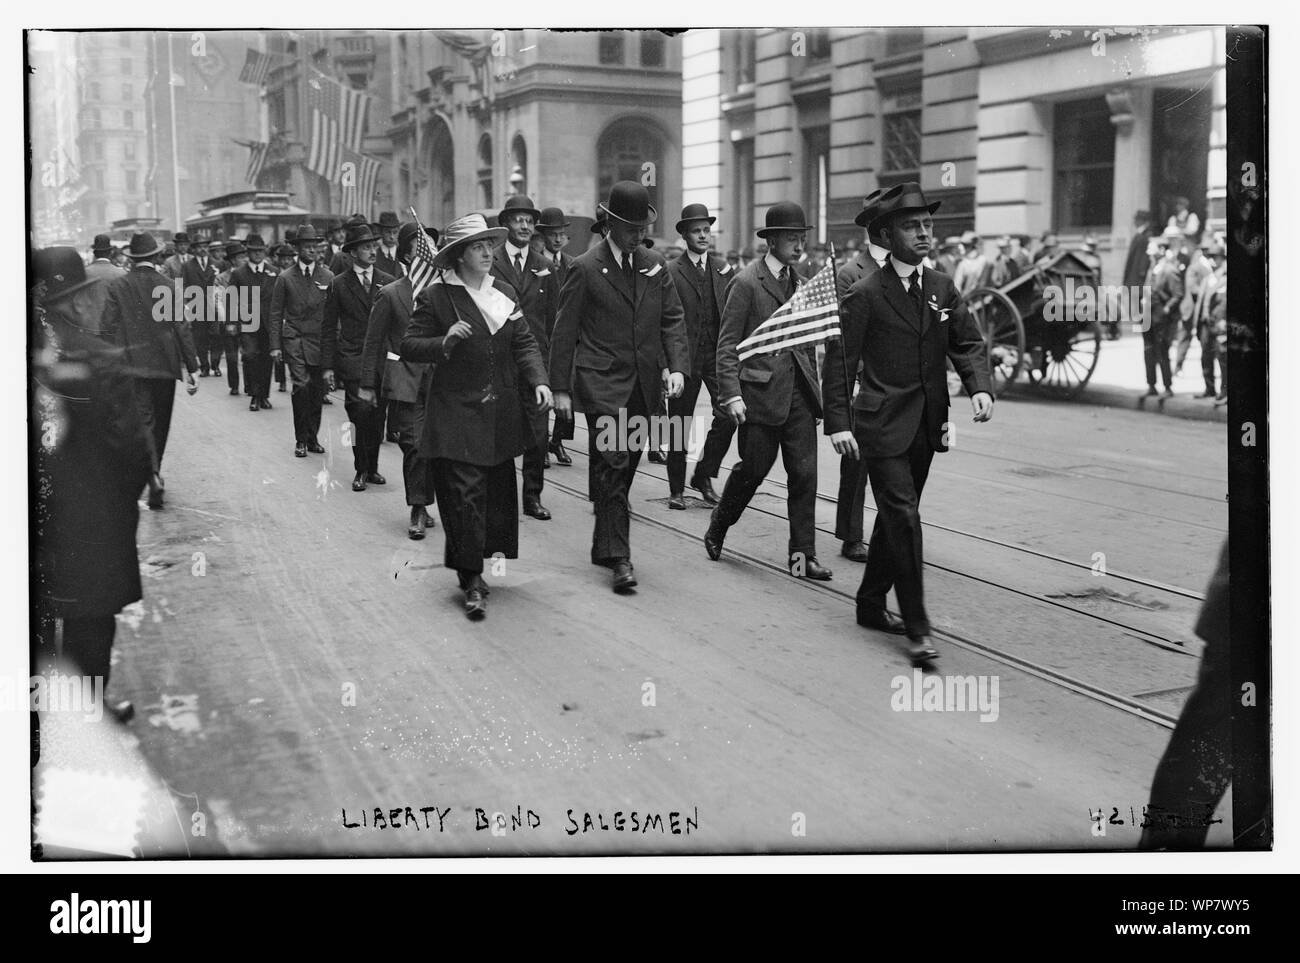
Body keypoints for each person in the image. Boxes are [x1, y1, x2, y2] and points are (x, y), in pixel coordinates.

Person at [823, 182, 994, 666]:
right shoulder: (864, 294)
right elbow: (840, 361)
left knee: (899, 516)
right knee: (904, 517)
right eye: (911, 226)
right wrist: (838, 421)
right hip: (879, 426)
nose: (923, 234)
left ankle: (870, 602)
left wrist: (978, 385)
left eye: (926, 225)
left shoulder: (941, 287)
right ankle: (917, 627)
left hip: (927, 425)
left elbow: (967, 342)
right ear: (885, 234)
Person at [400, 214, 553, 618]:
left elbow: (525, 343)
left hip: (499, 411)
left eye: (490, 245)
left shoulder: (502, 291)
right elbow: (410, 345)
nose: (488, 252)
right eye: (477, 247)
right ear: (459, 256)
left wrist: (538, 379)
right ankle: (471, 579)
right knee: (464, 496)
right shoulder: (436, 297)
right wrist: (443, 341)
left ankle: (477, 564)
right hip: (455, 413)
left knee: (493, 496)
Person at [550, 181, 689, 593]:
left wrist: (677, 366)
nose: (637, 234)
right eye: (629, 226)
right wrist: (560, 388)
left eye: (641, 226)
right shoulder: (585, 267)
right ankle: (620, 557)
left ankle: (605, 535)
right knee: (613, 460)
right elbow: (564, 332)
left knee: (625, 465)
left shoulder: (655, 264)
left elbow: (672, 320)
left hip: (644, 386)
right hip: (602, 383)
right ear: (609, 223)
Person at [32, 248, 152, 724]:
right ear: (73, 300)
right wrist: (125, 499)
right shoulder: (99, 356)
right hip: (91, 512)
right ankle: (86, 707)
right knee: (90, 612)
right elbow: (130, 444)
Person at [705, 201, 832, 580]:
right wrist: (731, 394)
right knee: (753, 471)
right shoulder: (746, 283)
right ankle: (718, 525)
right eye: (791, 239)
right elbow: (727, 345)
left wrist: (815, 386)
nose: (798, 246)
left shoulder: (803, 285)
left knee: (804, 475)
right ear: (772, 241)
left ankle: (802, 556)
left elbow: (807, 342)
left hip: (799, 397)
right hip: (759, 397)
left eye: (801, 239)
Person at [100, 232, 200, 510]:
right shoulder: (169, 285)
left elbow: (106, 327)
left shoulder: (119, 286)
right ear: (156, 257)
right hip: (165, 367)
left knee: (144, 420)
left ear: (133, 258)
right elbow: (182, 326)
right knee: (162, 421)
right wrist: (193, 367)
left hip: (131, 366)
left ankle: (152, 473)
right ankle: (155, 471)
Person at [361, 222, 438, 539]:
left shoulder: (446, 293)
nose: (432, 251)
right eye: (424, 246)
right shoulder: (391, 295)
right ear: (409, 254)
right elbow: (373, 342)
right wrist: (367, 384)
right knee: (414, 445)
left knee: (436, 448)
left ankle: (426, 500)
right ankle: (418, 508)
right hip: (406, 382)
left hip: (443, 384)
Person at [833, 189, 891, 562]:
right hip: (863, 385)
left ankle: (893, 531)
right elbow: (842, 340)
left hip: (899, 383)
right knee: (857, 463)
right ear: (877, 229)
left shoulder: (910, 269)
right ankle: (851, 534)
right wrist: (849, 386)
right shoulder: (851, 273)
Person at [665, 203, 736, 508]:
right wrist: (667, 366)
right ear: (684, 235)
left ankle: (704, 474)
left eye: (707, 230)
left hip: (716, 356)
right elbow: (664, 321)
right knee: (679, 422)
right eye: (696, 231)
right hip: (684, 358)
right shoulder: (671, 271)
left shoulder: (723, 269)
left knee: (729, 415)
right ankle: (677, 488)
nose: (703, 235)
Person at [492, 194, 555, 519]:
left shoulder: (545, 266)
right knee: (499, 430)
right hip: (500, 362)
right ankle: (500, 496)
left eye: (529, 221)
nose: (524, 226)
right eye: (518, 219)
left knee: (537, 433)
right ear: (506, 224)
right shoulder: (491, 261)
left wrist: (552, 373)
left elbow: (555, 318)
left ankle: (532, 496)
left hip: (536, 364)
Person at [321, 222, 394, 491]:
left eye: (373, 246)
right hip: (352, 358)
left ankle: (373, 467)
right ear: (353, 253)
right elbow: (328, 327)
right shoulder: (339, 284)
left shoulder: (387, 281)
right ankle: (360, 468)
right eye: (366, 247)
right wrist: (327, 366)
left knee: (377, 415)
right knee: (358, 414)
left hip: (382, 359)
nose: (372, 251)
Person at [269, 224, 334, 458]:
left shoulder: (327, 276)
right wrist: (275, 346)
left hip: (319, 341)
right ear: (297, 249)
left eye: (313, 247)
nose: (310, 251)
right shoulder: (285, 278)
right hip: (294, 339)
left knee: (317, 390)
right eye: (306, 247)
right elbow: (275, 314)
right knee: (301, 386)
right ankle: (301, 439)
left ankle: (313, 436)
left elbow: (334, 313)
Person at [537, 206, 576, 467]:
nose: (558, 239)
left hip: (567, 336)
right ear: (544, 237)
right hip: (543, 332)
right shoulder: (537, 263)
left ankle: (558, 441)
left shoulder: (572, 263)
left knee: (566, 388)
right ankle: (539, 444)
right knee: (541, 392)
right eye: (553, 234)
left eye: (562, 234)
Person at [230, 234, 277, 411]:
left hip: (268, 324)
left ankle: (264, 395)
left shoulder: (274, 272)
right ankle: (254, 395)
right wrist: (232, 323)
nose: (258, 254)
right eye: (254, 251)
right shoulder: (239, 273)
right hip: (247, 323)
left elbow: (279, 300)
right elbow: (232, 299)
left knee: (267, 359)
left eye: (260, 251)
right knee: (250, 356)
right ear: (247, 252)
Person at [1144, 230, 1183, 398]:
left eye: (1153, 252)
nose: (1150, 256)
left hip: (1161, 317)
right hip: (1147, 316)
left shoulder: (1169, 270)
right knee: (1148, 351)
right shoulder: (1152, 269)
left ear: (1161, 251)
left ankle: (1167, 387)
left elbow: (1178, 294)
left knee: (1162, 351)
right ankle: (1151, 385)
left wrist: (1167, 309)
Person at [182, 237, 220, 377]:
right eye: (199, 246)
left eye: (205, 246)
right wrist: (186, 305)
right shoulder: (187, 266)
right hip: (196, 306)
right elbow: (183, 285)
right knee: (200, 338)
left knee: (216, 336)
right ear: (194, 249)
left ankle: (215, 365)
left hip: (214, 307)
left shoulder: (217, 264)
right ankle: (204, 366)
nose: (203, 249)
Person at [214, 240, 247, 396]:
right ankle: (234, 385)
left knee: (249, 354)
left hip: (248, 319)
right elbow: (218, 301)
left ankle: (250, 386)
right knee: (232, 355)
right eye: (241, 257)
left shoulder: (249, 275)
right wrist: (227, 321)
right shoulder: (221, 278)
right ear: (233, 259)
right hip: (230, 320)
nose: (244, 259)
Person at [1119, 211, 1153, 341]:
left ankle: (1144, 325)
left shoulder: (1145, 236)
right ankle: (1141, 324)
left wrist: (1141, 275)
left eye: (1137, 219)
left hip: (1139, 277)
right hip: (1134, 275)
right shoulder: (1139, 235)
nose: (1134, 222)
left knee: (1140, 302)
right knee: (1136, 302)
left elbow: (1144, 259)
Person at [83, 234, 126, 327]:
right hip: (113, 329)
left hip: (89, 327)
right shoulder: (122, 274)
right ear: (110, 252)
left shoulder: (84, 273)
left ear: (94, 253)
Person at [952, 230, 991, 296]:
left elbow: (957, 285)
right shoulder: (984, 260)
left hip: (970, 297)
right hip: (983, 296)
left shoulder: (963, 264)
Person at [374, 211, 401, 278]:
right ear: (380, 232)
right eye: (388, 232)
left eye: (395, 232)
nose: (392, 237)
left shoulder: (403, 255)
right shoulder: (374, 255)